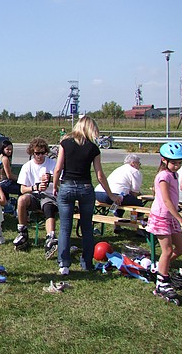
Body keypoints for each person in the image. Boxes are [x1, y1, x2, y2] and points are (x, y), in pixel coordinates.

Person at [53, 116, 120, 275]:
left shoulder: (65, 143)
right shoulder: (93, 148)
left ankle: (64, 263)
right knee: (87, 227)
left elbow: (58, 168)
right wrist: (110, 195)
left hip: (67, 185)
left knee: (65, 227)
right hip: (85, 187)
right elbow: (100, 175)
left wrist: (55, 185)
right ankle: (87, 263)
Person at [146, 142, 182, 302]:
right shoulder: (163, 176)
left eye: (179, 163)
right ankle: (162, 283)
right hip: (161, 217)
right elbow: (166, 201)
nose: (177, 166)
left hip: (170, 217)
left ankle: (159, 268)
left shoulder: (174, 175)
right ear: (164, 160)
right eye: (174, 163)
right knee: (167, 250)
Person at [12, 137, 58, 259]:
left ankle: (50, 237)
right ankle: (22, 232)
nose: (40, 156)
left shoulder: (52, 164)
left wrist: (50, 179)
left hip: (49, 195)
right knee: (21, 200)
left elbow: (61, 181)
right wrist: (35, 187)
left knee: (48, 206)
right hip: (34, 195)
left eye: (43, 153)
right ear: (32, 152)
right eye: (37, 153)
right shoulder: (27, 166)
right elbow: (22, 189)